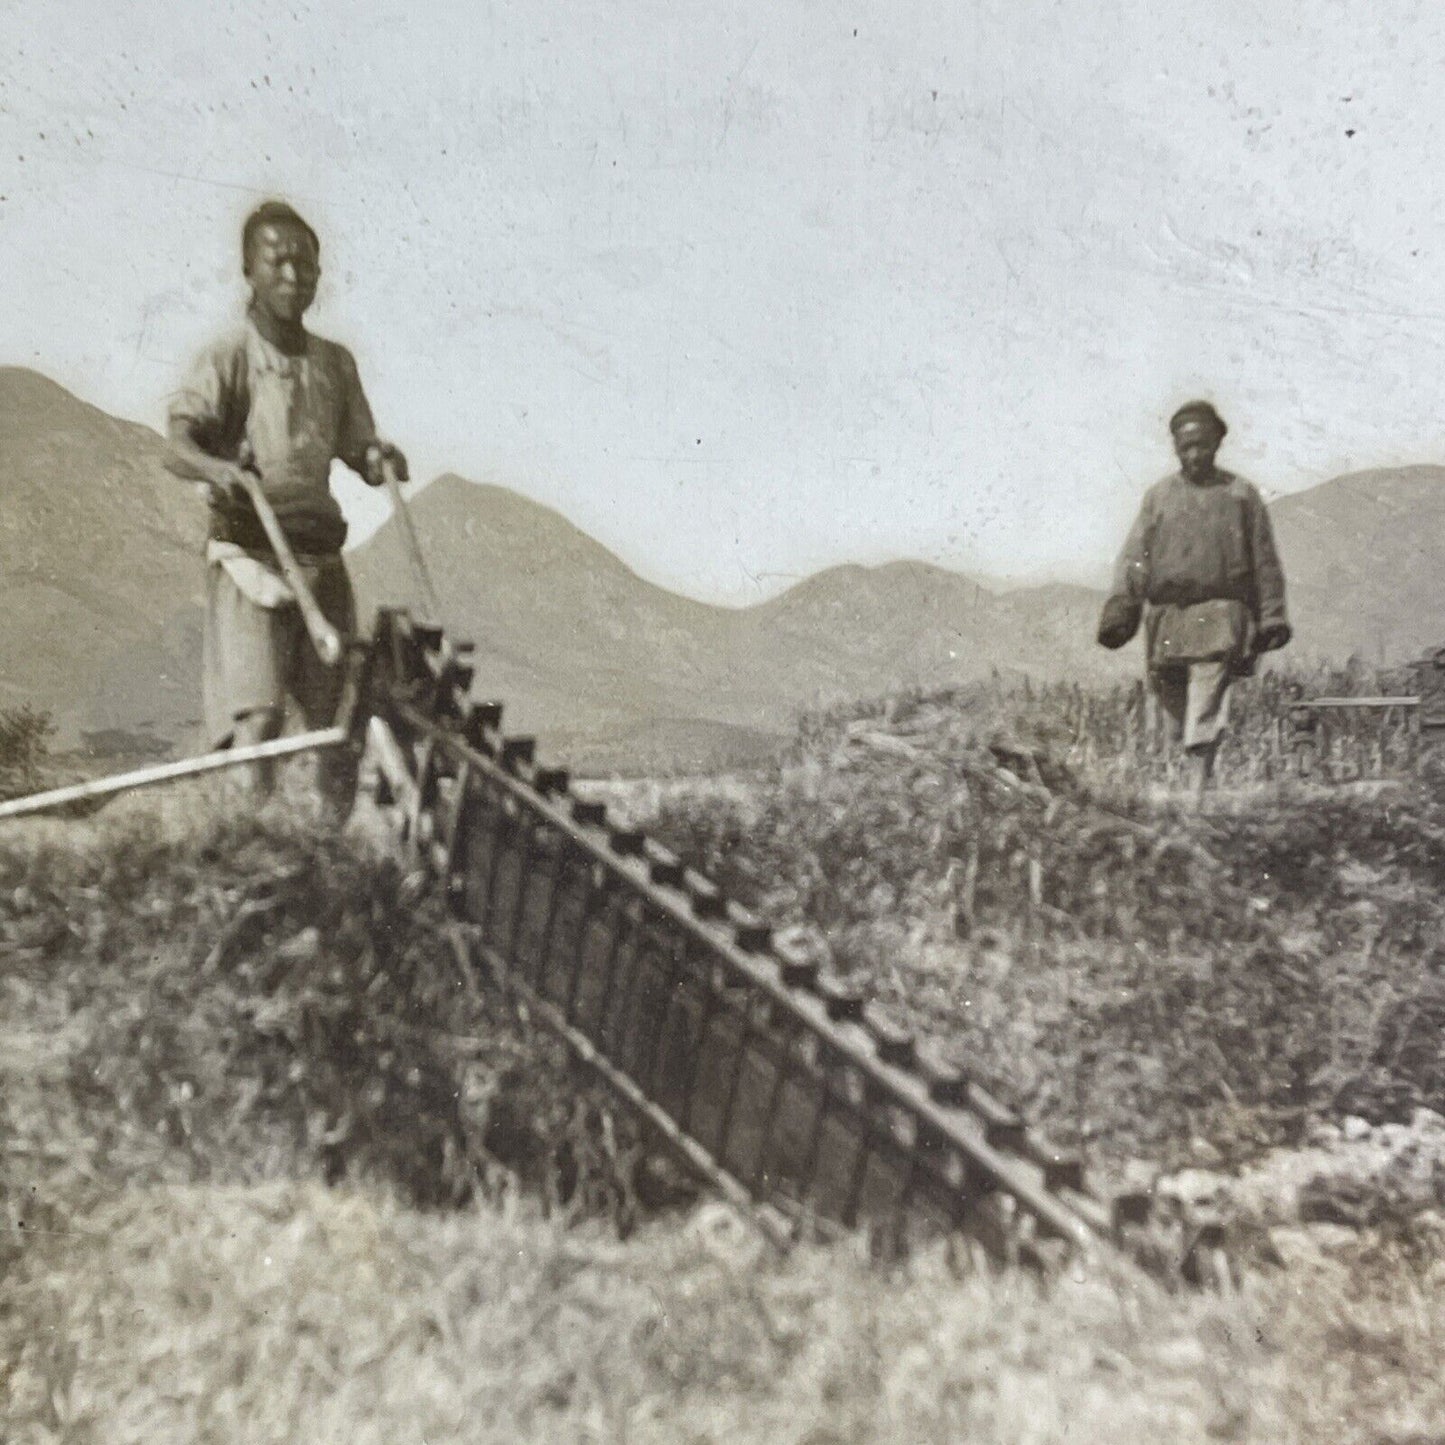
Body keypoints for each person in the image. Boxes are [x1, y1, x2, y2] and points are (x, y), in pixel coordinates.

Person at [165, 199, 408, 808]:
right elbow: (178, 443)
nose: (293, 276)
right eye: (278, 261)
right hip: (252, 560)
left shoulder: (335, 365)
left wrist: (380, 460)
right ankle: (252, 863)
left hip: (321, 563)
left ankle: (328, 866)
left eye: (306, 264)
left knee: (340, 731)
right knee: (259, 725)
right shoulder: (230, 357)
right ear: (249, 269)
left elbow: (361, 453)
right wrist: (219, 469)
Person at [1097, 401, 1290, 795]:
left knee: (1204, 704)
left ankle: (1196, 795)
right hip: (1169, 620)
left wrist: (1271, 616)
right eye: (1185, 447)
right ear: (1175, 448)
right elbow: (1136, 559)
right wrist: (1122, 609)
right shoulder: (1160, 498)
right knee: (1174, 715)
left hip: (1221, 614)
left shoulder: (1240, 496)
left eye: (1202, 445)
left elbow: (1264, 559)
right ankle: (1193, 784)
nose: (1194, 454)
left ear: (1217, 443)